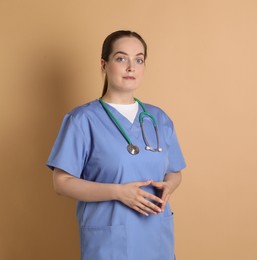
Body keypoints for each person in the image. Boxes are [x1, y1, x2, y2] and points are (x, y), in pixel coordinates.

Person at [47, 30, 186, 260]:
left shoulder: (158, 119)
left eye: (139, 59)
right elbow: (61, 183)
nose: (131, 67)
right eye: (122, 58)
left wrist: (168, 187)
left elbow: (175, 172)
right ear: (104, 65)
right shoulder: (82, 120)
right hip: (109, 240)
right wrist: (118, 192)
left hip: (156, 238)